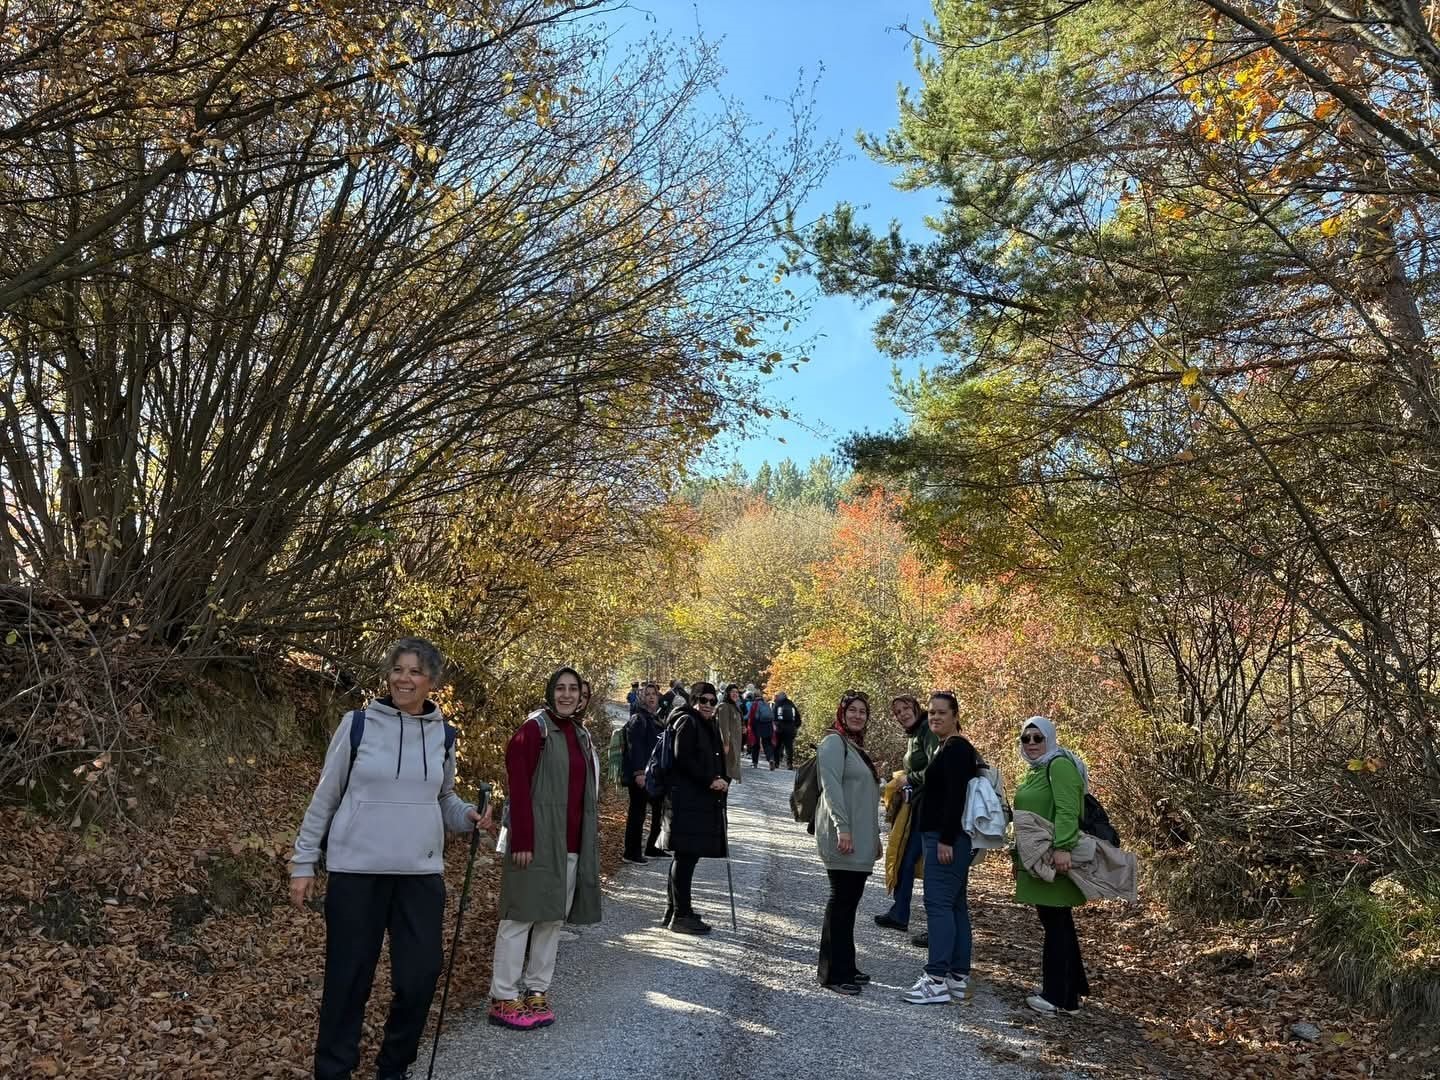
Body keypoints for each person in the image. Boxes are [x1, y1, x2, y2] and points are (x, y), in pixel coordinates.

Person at [289, 638, 490, 1080]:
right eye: (398, 669)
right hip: (356, 873)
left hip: (419, 875)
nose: (404, 678)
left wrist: (468, 816)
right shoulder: (357, 725)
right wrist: (303, 862)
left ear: (431, 681)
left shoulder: (444, 734)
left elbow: (443, 799)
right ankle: (334, 1070)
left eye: (415, 671)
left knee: (419, 978)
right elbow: (326, 795)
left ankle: (393, 1068)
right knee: (348, 982)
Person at [487, 668, 603, 1030]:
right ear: (550, 691)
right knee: (520, 916)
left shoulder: (580, 734)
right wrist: (521, 837)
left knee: (551, 918)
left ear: (583, 696)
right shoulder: (533, 730)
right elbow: (518, 785)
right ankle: (504, 996)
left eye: (574, 690)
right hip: (535, 841)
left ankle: (537, 990)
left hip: (569, 843)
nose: (567, 695)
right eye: (560, 688)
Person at [903, 692, 980, 1005]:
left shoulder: (958, 748)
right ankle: (957, 977)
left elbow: (956, 797)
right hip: (947, 838)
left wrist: (947, 838)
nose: (934, 717)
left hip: (946, 839)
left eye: (941, 713)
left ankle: (935, 979)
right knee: (955, 905)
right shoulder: (948, 747)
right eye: (931, 713)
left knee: (938, 906)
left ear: (955, 714)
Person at [1014, 716, 1091, 1015]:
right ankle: (1069, 994)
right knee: (1058, 923)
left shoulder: (1059, 765)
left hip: (1055, 858)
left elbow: (1068, 809)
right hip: (1039, 858)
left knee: (1056, 923)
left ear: (1050, 738)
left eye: (1037, 738)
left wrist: (1063, 848)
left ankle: (1057, 996)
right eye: (1026, 738)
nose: (1031, 744)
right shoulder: (1037, 770)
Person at [814, 691, 882, 996]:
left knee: (849, 903)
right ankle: (832, 973)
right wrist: (843, 828)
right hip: (841, 835)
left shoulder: (855, 747)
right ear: (842, 713)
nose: (857, 715)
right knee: (841, 902)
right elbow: (831, 789)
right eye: (852, 710)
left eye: (862, 712)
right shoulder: (833, 743)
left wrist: (874, 836)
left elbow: (866, 800)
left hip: (859, 837)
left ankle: (847, 965)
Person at [659, 681, 730, 934]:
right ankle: (681, 914)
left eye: (712, 701)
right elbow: (683, 758)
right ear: (693, 700)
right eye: (703, 700)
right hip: (686, 802)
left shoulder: (701, 722)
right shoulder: (688, 722)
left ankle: (675, 909)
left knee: (685, 857)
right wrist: (710, 780)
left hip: (691, 802)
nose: (708, 705)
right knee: (686, 857)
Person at [876, 694, 939, 938]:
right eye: (897, 712)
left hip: (930, 808)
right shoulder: (915, 734)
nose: (902, 714)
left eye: (906, 708)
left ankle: (933, 925)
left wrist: (908, 779)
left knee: (923, 864)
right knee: (906, 859)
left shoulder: (927, 730)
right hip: (917, 806)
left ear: (916, 707)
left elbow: (935, 766)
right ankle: (900, 913)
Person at [622, 683, 666, 862]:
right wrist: (639, 773)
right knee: (637, 813)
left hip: (654, 774)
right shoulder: (638, 719)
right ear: (641, 697)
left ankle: (652, 847)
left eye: (654, 694)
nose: (651, 697)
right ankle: (631, 853)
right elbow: (636, 747)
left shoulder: (654, 718)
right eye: (647, 694)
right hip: (641, 774)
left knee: (658, 810)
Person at [717, 683, 745, 784]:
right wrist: (726, 743)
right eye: (733, 692)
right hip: (729, 744)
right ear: (727, 693)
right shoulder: (724, 706)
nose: (735, 694)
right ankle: (721, 798)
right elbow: (723, 727)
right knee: (726, 772)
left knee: (730, 772)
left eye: (737, 692)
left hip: (735, 744)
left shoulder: (734, 706)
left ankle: (723, 797)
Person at [746, 690, 776, 769]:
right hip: (768, 725)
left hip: (758, 725)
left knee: (755, 744)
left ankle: (755, 762)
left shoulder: (754, 704)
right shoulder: (766, 704)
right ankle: (771, 759)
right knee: (767, 744)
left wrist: (750, 727)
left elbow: (751, 717)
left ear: (754, 696)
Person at [772, 691, 801, 769]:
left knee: (777, 746)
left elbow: (773, 716)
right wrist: (795, 726)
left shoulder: (777, 704)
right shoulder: (791, 704)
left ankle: (776, 763)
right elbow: (798, 717)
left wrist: (775, 726)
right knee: (789, 747)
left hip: (779, 728)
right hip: (790, 728)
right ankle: (789, 764)